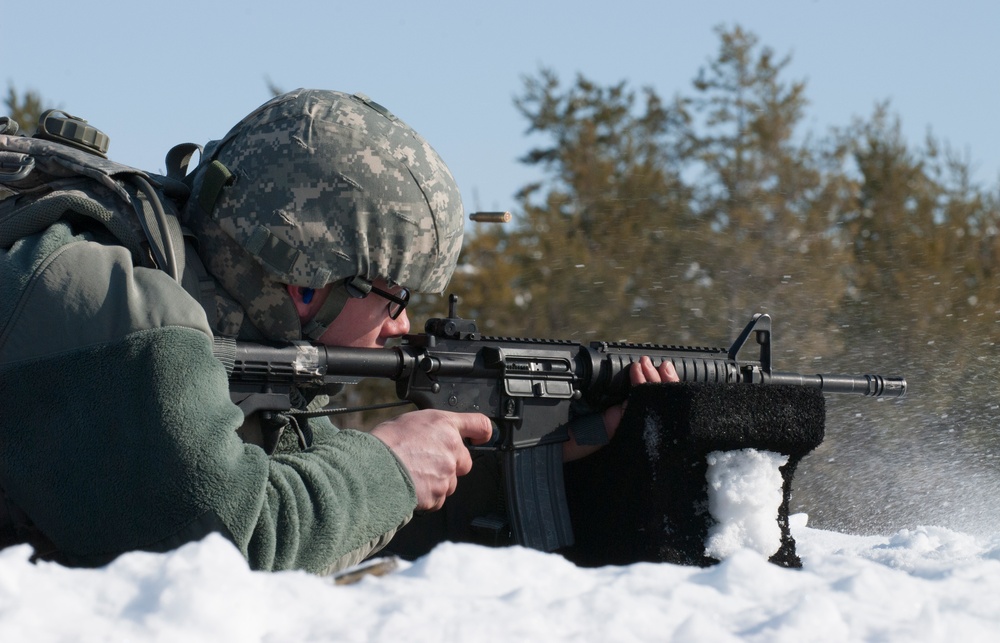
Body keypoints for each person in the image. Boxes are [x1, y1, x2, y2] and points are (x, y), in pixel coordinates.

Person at [0, 89, 677, 574]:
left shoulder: (242, 331)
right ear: (307, 280)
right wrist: (389, 463)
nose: (405, 323)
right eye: (395, 295)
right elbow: (235, 540)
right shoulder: (115, 305)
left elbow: (330, 513)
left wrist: (567, 449)